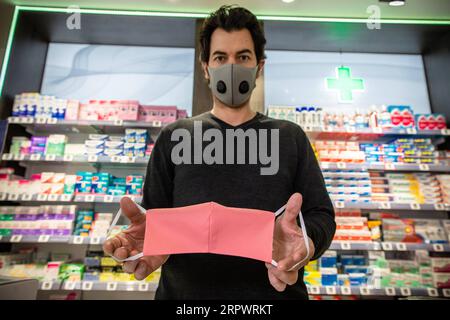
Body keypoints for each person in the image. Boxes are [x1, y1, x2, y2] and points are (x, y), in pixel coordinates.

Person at [103, 5, 336, 299]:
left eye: (243, 57)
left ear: (259, 67)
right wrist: (150, 243)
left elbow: (321, 215)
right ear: (206, 68)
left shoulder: (289, 137)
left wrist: (306, 242)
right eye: (220, 57)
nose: (232, 66)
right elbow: (153, 218)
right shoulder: (174, 137)